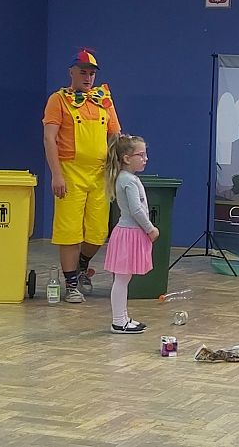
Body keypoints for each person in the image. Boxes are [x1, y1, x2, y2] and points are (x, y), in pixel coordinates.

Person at [42, 49, 121, 303]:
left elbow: (115, 137)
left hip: (99, 175)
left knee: (97, 233)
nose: (88, 78)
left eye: (91, 74)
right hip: (70, 173)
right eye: (83, 72)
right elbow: (49, 138)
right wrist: (56, 175)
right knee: (69, 232)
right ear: (71, 72)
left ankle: (82, 265)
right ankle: (71, 285)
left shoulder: (104, 100)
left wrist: (120, 168)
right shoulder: (58, 100)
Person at [103, 134, 158, 333]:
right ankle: (119, 321)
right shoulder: (128, 180)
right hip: (129, 234)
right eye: (140, 155)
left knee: (124, 278)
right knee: (122, 279)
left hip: (129, 233)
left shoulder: (128, 179)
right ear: (127, 158)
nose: (145, 159)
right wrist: (150, 228)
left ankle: (123, 317)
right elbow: (136, 210)